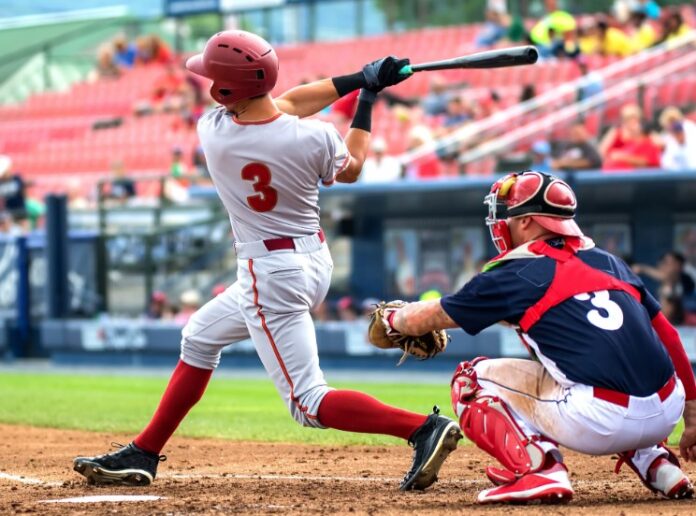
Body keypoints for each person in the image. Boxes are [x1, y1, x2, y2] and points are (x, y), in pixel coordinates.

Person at [73, 30, 461, 491]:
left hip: (270, 274)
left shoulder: (213, 132)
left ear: (224, 91)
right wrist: (367, 95)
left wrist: (361, 80)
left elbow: (286, 104)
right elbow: (348, 162)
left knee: (308, 403)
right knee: (198, 338)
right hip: (312, 261)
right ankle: (145, 453)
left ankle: (421, 428)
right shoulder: (314, 137)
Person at [374, 170, 696, 503]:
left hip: (599, 419)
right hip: (666, 410)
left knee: (471, 378)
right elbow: (669, 336)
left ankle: (539, 468)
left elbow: (434, 315)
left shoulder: (516, 272)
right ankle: (659, 465)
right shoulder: (610, 262)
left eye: (507, 215)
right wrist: (692, 417)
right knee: (611, 365)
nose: (500, 224)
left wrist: (392, 319)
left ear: (526, 221)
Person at [658, 107, 696, 171]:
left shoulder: (689, 128)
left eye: (674, 120)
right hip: (676, 175)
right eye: (669, 121)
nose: (672, 124)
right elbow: (667, 163)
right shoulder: (666, 136)